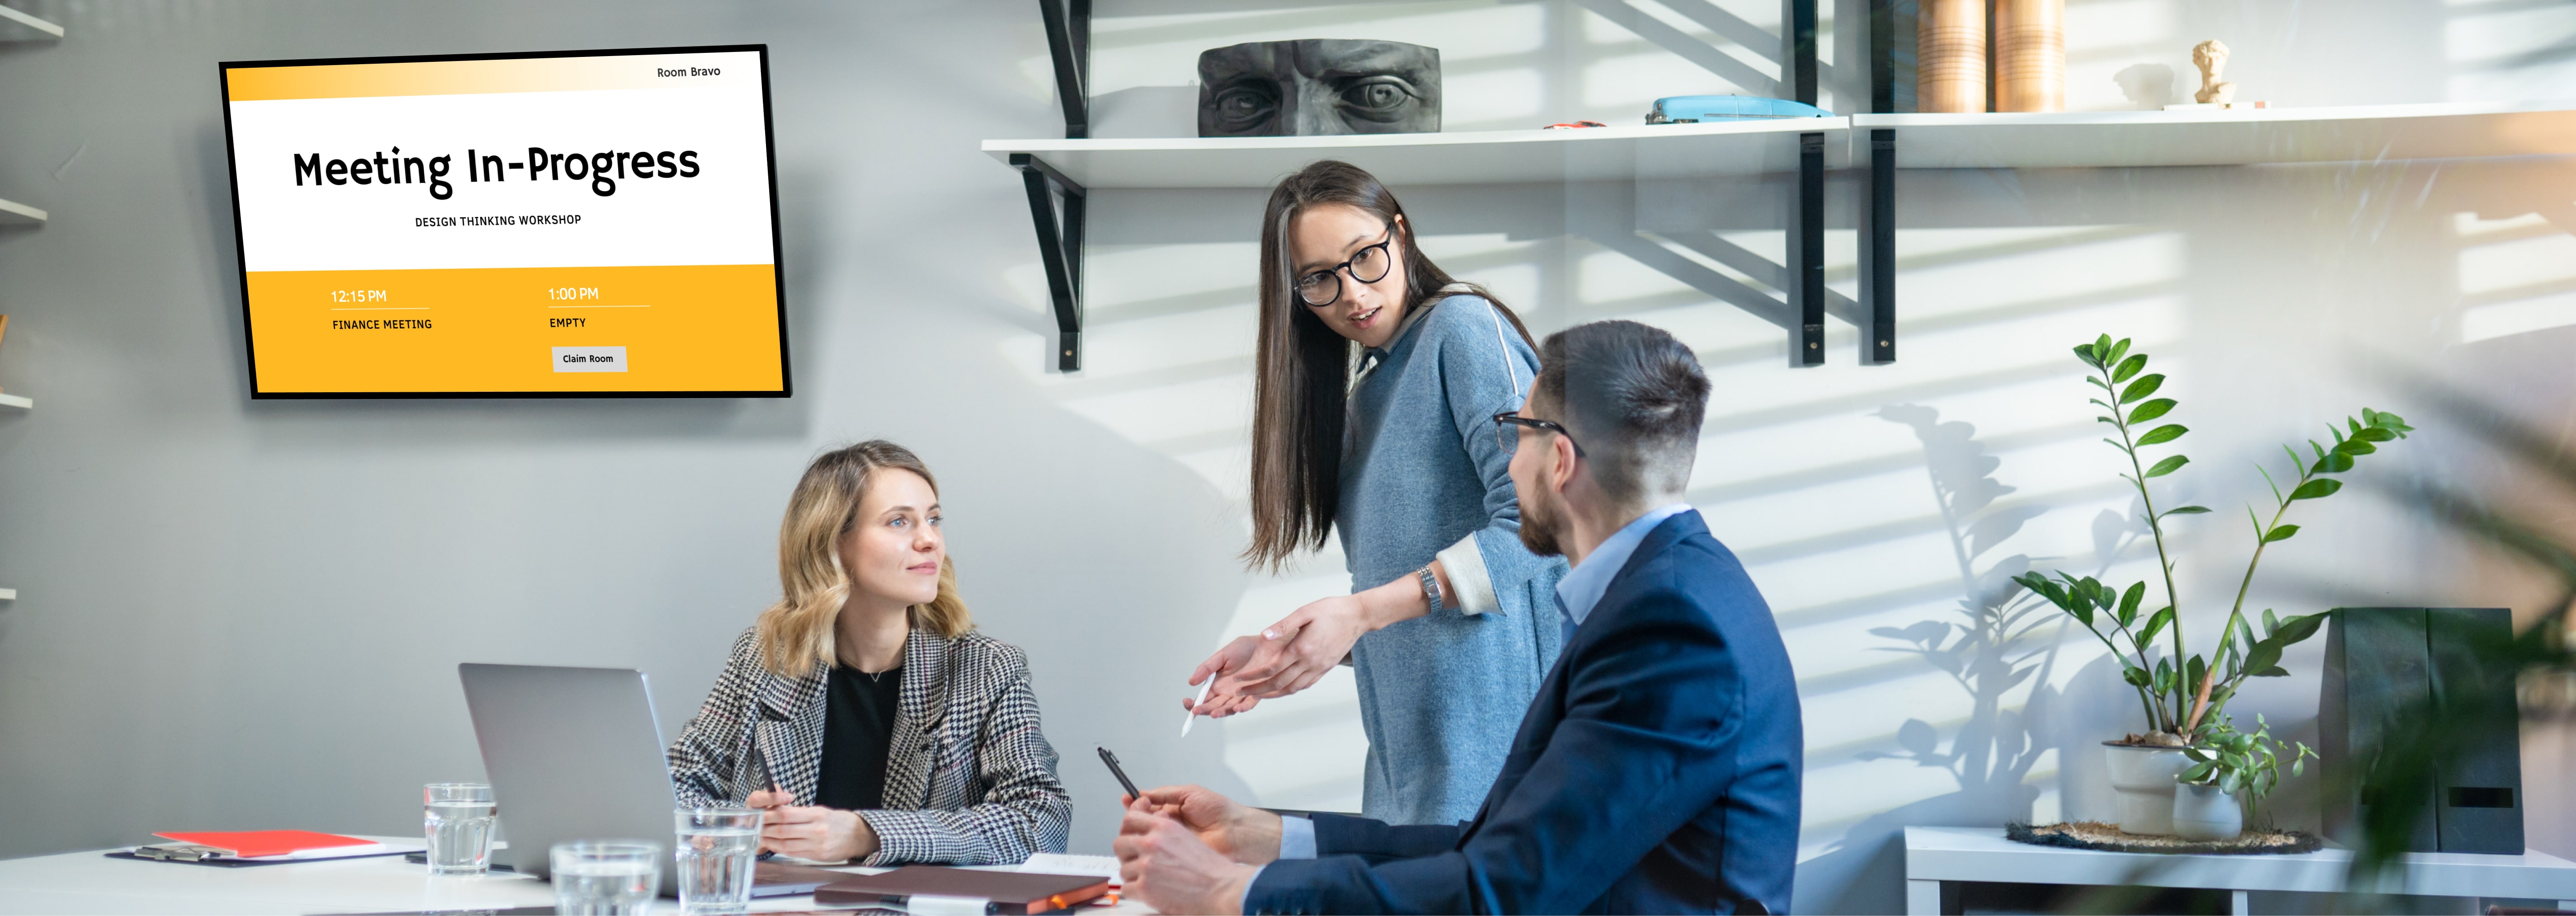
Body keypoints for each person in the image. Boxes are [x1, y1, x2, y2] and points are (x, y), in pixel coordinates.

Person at [1119, 321, 1803, 914]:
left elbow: (1497, 893)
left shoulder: (1669, 630)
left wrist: (1229, 892)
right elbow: (1496, 846)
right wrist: (1261, 833)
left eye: (1516, 430)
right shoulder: (1669, 591)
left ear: (1558, 459)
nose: (1505, 457)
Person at [1189, 159, 1570, 827]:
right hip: (1411, 774)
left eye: (1365, 257)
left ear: (1400, 233)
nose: (1352, 293)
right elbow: (1416, 608)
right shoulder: (1366, 394)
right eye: (1319, 279)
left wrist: (1360, 612)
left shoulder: (1463, 328)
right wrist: (1290, 646)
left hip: (1505, 765)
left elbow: (1542, 525)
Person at [666, 440, 1071, 865]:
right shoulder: (765, 656)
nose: (930, 540)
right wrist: (744, 827)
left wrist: (869, 834)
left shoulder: (987, 668)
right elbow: (674, 786)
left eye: (934, 519)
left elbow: (1041, 820)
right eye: (900, 522)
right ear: (833, 543)